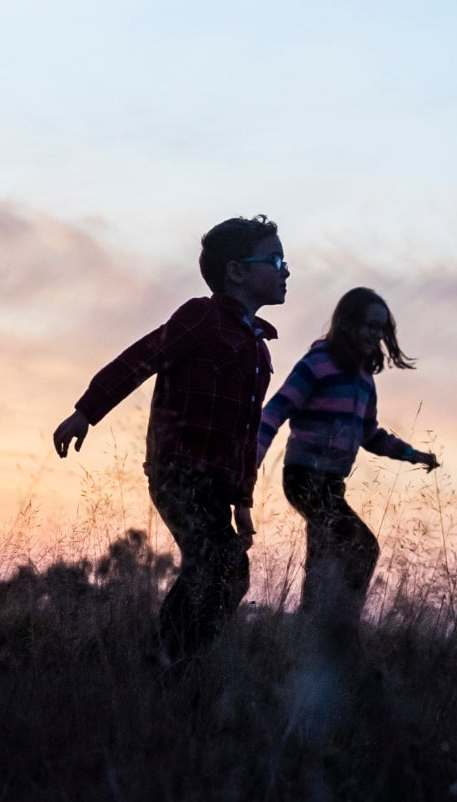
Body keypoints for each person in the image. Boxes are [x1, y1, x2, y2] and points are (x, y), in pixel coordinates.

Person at [54, 216, 287, 663]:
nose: (285, 270)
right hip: (178, 471)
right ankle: (169, 662)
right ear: (237, 271)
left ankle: (176, 659)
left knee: (227, 571)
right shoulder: (200, 317)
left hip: (219, 488)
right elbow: (142, 357)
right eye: (275, 260)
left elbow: (245, 438)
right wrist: (87, 411)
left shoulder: (259, 351)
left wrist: (243, 504)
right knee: (218, 565)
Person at [255, 288, 438, 626]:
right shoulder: (318, 363)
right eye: (370, 325)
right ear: (348, 323)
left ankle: (308, 632)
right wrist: (250, 462)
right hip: (304, 477)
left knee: (322, 559)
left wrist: (413, 454)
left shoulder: (365, 380)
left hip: (333, 482)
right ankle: (342, 626)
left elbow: (370, 434)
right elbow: (276, 410)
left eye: (382, 329)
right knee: (363, 547)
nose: (376, 334)